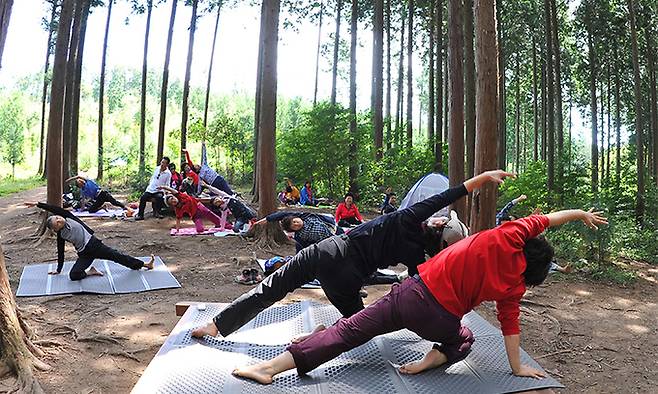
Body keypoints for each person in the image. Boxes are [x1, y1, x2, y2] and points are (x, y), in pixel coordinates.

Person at [230, 208, 608, 385]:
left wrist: (580, 215)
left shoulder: (509, 234)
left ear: (524, 240)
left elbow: (550, 218)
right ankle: (434, 357)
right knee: (465, 339)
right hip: (441, 320)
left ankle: (271, 368)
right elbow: (511, 328)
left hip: (411, 295)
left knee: (350, 331)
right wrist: (516, 368)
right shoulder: (515, 288)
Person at [190, 170, 508, 341]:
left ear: (438, 225)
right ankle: (318, 337)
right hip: (347, 278)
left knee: (272, 287)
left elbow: (450, 193)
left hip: (327, 251)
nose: (440, 217)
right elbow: (421, 293)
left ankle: (216, 326)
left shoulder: (409, 217)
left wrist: (484, 178)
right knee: (356, 327)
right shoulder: (420, 258)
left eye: (442, 221)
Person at [24, 202, 155, 280]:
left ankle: (144, 265)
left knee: (117, 256)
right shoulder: (61, 235)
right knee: (73, 275)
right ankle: (90, 271)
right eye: (57, 222)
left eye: (58, 217)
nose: (59, 220)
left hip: (94, 245)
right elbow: (61, 253)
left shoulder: (68, 217)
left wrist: (37, 204)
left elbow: (55, 209)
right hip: (84, 254)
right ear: (56, 228)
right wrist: (59, 269)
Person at [497, 198, 572, 274]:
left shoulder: (517, 231)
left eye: (512, 221)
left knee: (537, 255)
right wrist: (519, 199)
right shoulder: (497, 225)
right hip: (500, 255)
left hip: (515, 255)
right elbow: (507, 208)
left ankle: (561, 269)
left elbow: (527, 223)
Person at [254, 211, 342, 252]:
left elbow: (282, 214)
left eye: (295, 221)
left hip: (334, 230)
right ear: (293, 230)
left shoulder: (305, 216)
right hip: (330, 244)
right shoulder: (300, 236)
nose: (297, 224)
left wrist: (266, 219)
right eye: (294, 226)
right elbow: (301, 251)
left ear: (296, 217)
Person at [65, 175, 130, 214]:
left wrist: (70, 179)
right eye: (79, 182)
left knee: (114, 202)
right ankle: (102, 207)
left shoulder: (88, 181)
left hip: (103, 194)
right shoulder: (83, 191)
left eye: (80, 181)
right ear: (79, 185)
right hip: (98, 199)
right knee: (91, 210)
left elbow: (78, 176)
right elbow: (83, 200)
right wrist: (82, 208)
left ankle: (125, 207)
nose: (81, 181)